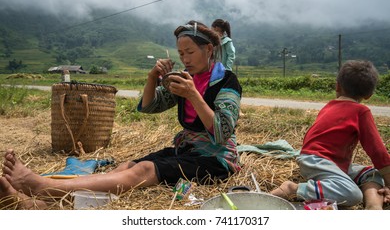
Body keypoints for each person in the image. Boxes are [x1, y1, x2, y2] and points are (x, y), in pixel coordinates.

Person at [0, 20, 242, 209]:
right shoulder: (184, 80)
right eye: (180, 54)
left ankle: (42, 188)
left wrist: (193, 95)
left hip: (216, 160)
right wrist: (152, 78)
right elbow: (150, 106)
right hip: (187, 151)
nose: (185, 59)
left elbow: (222, 132)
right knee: (127, 166)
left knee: (144, 171)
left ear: (209, 49)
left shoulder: (226, 81)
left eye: (189, 52)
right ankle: (36, 203)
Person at [271, 60, 390, 210]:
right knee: (353, 194)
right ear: (369, 96)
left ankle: (373, 207)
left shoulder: (329, 106)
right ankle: (293, 189)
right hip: (318, 161)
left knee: (371, 173)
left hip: (325, 161)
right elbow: (377, 151)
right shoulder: (361, 111)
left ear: (337, 86)